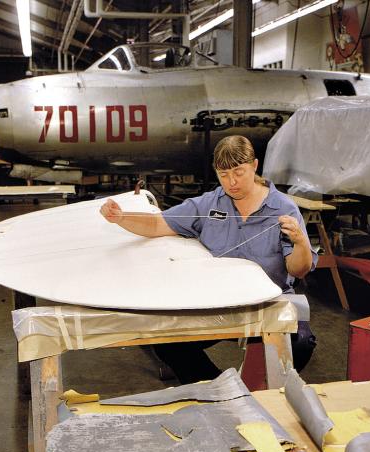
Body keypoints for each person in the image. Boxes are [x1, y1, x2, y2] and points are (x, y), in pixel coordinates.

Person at [100, 135, 317, 384]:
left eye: (239, 172)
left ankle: (257, 389)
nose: (232, 182)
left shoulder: (284, 208)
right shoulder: (209, 204)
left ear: (255, 166)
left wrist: (300, 241)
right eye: (224, 175)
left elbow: (298, 270)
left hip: (269, 304)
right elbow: (159, 223)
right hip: (219, 302)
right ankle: (221, 389)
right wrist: (121, 217)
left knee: (300, 344)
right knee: (168, 343)